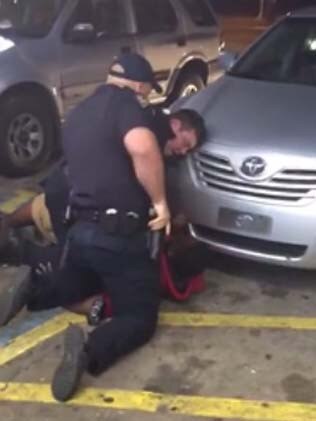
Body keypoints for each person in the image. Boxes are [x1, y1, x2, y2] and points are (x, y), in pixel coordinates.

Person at [0, 52, 176, 402]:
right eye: (145, 90)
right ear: (139, 86)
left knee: (81, 282)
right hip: (119, 236)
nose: (145, 96)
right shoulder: (126, 106)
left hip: (81, 233)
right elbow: (142, 149)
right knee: (140, 317)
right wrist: (160, 203)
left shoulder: (78, 113)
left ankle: (35, 284)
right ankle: (91, 349)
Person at [0, 107, 207, 318]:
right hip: (79, 200)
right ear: (175, 125)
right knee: (75, 265)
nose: (183, 152)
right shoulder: (147, 144)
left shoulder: (140, 121)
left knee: (53, 210)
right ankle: (19, 256)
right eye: (186, 144)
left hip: (69, 185)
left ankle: (8, 226)